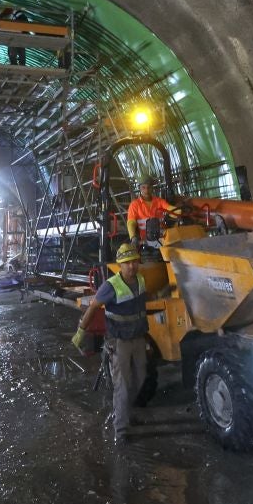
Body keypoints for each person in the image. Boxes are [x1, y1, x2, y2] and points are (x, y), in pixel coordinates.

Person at [72, 242, 147, 445]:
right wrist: (81, 331)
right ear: (119, 265)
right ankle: (121, 430)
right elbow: (94, 306)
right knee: (122, 385)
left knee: (140, 378)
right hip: (120, 342)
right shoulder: (111, 286)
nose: (132, 266)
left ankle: (124, 412)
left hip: (138, 339)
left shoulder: (140, 279)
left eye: (134, 262)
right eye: (127, 263)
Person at [126, 177, 177, 243]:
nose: (146, 190)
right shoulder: (134, 205)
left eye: (149, 187)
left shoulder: (160, 201)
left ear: (152, 188)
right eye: (143, 187)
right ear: (140, 188)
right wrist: (133, 237)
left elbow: (170, 209)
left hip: (163, 237)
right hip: (146, 240)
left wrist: (178, 212)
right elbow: (131, 222)